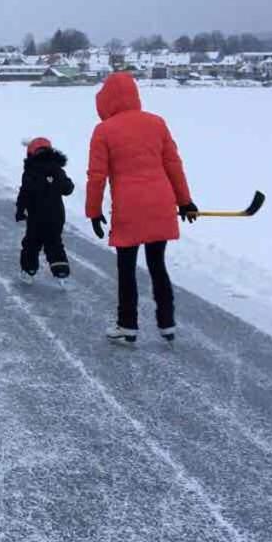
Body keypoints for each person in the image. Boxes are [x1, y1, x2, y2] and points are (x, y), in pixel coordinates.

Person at [85, 71, 198, 342]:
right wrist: (184, 201)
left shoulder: (104, 131)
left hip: (129, 209)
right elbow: (173, 165)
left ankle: (128, 326)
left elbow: (97, 176)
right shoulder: (157, 123)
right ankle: (167, 323)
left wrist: (94, 211)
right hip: (161, 204)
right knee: (157, 265)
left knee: (127, 269)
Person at [15, 136, 74, 280]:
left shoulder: (30, 170)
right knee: (54, 242)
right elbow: (67, 188)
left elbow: (25, 192)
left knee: (32, 243)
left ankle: (29, 270)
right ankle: (61, 271)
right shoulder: (57, 169)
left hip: (36, 215)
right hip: (56, 216)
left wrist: (20, 210)